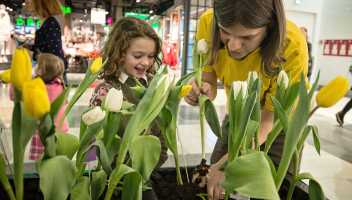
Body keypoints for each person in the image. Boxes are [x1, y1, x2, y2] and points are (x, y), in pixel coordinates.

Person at [184, 1, 309, 199]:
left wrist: (229, 162)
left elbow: (269, 120)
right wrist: (202, 90)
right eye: (225, 32)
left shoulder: (290, 45)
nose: (233, 46)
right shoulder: (208, 23)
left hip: (280, 121)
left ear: (271, 26)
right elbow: (209, 79)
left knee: (271, 188)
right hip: (239, 109)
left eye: (247, 37)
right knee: (213, 181)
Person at [89, 17, 168, 199]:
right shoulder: (105, 92)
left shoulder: (151, 86)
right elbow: (100, 144)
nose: (146, 63)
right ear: (118, 52)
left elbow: (160, 132)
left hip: (146, 174)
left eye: (151, 56)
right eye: (138, 56)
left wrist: (150, 163)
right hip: (116, 179)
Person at [9, 53, 69, 160]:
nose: (34, 66)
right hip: (62, 130)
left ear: (40, 71)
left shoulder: (36, 87)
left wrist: (15, 78)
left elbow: (14, 96)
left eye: (36, 64)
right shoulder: (61, 84)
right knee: (56, 161)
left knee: (42, 163)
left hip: (42, 132)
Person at [20, 0, 68, 85]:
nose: (26, 1)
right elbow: (43, 49)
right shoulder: (46, 23)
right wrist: (29, 47)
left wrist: (30, 53)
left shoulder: (50, 24)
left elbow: (54, 57)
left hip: (53, 81)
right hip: (48, 77)